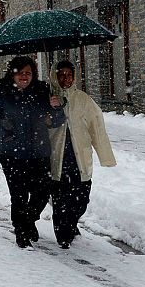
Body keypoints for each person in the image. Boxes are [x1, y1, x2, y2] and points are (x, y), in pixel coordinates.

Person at [0, 56, 65, 248]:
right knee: (19, 195)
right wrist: (4, 133)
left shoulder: (42, 91)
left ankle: (27, 221)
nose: (24, 77)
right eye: (20, 73)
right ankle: (21, 232)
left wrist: (56, 109)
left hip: (39, 152)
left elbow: (56, 120)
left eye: (28, 73)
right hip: (12, 153)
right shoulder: (2, 93)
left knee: (42, 193)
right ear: (13, 73)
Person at [48, 60, 116, 249]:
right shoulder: (48, 98)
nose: (65, 79)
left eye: (69, 75)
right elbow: (41, 127)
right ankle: (63, 235)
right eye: (61, 75)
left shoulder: (83, 100)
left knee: (80, 200)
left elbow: (97, 128)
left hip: (80, 159)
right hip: (57, 159)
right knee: (61, 200)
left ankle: (71, 222)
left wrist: (105, 156)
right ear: (55, 76)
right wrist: (52, 108)